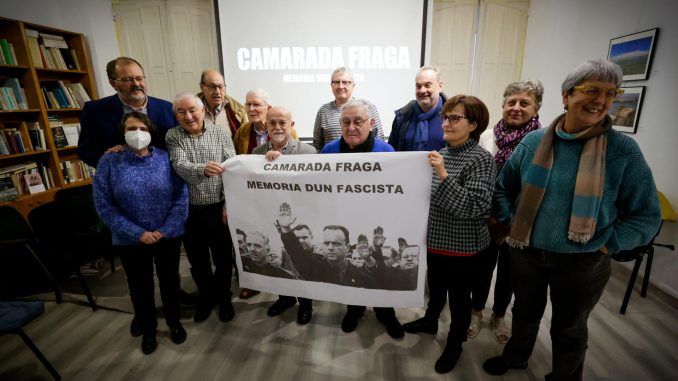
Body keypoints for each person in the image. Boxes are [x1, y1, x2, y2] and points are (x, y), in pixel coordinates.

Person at [482, 59, 662, 381]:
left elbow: (647, 215)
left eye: (610, 93)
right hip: (526, 252)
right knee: (524, 313)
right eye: (591, 90)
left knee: (570, 327)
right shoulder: (534, 142)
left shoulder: (623, 151)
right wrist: (511, 221)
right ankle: (517, 357)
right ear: (566, 96)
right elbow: (503, 189)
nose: (601, 100)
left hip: (584, 262)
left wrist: (608, 244)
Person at [402, 95, 495, 374]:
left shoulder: (481, 159)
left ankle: (455, 343)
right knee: (437, 287)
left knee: (459, 299)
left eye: (455, 118)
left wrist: (443, 175)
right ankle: (430, 321)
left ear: (473, 124)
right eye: (445, 117)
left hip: (464, 248)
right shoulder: (440, 153)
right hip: (435, 242)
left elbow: (475, 207)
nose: (446, 122)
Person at [92, 111, 188, 355]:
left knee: (170, 281)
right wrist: (137, 233)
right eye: (131, 128)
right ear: (122, 133)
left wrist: (164, 230)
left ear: (151, 132)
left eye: (143, 129)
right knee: (139, 287)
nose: (138, 133)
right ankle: (149, 330)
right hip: (130, 239)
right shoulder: (109, 162)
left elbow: (180, 197)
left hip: (167, 236)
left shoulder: (166, 159)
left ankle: (174, 322)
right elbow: (104, 205)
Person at [318, 99, 404, 339]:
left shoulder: (386, 152)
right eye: (346, 122)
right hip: (344, 224)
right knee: (353, 270)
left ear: (371, 123)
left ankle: (385, 313)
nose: (351, 127)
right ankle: (354, 310)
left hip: (378, 225)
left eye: (358, 121)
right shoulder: (328, 151)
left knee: (379, 270)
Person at [470, 79, 544, 344]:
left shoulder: (544, 141)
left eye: (524, 103)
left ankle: (499, 314)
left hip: (520, 221)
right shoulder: (486, 137)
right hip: (486, 218)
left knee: (510, 274)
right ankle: (476, 311)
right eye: (510, 102)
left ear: (536, 109)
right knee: (482, 269)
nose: (516, 108)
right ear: (502, 106)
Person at [165, 92, 237, 323]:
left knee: (224, 258)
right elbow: (179, 165)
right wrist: (202, 169)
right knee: (198, 261)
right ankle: (207, 298)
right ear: (175, 115)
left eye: (192, 110)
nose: (188, 116)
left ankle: (224, 298)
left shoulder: (221, 134)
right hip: (189, 211)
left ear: (202, 111)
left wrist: (227, 205)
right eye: (181, 111)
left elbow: (232, 172)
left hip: (218, 208)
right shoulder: (172, 136)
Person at [253, 106, 316, 324]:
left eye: (282, 122)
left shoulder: (309, 152)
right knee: (279, 261)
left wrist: (282, 163)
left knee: (299, 262)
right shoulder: (256, 154)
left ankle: (306, 304)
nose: (277, 127)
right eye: (272, 123)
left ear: (292, 125)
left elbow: (313, 188)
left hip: (299, 221)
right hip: (271, 219)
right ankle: (285, 298)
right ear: (266, 125)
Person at [78, 57, 176, 167]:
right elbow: (86, 151)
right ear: (113, 83)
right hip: (120, 178)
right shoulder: (94, 110)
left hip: (164, 178)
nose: (136, 84)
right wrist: (107, 158)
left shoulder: (167, 108)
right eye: (127, 79)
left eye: (139, 78)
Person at [313, 67, 384, 151]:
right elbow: (317, 145)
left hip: (366, 161)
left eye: (345, 82)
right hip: (333, 161)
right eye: (336, 82)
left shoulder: (368, 107)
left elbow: (379, 138)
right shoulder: (323, 111)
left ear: (353, 86)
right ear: (331, 85)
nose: (340, 86)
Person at [389, 66, 447, 152]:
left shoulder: (452, 117)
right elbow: (392, 152)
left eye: (427, 85)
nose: (422, 90)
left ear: (440, 86)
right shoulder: (402, 117)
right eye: (418, 86)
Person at [233, 89, 300, 154]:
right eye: (248, 105)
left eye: (256, 105)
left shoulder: (288, 131)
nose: (251, 109)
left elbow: (296, 156)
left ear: (268, 108)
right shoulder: (242, 131)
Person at [198, 69, 248, 138]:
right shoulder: (191, 111)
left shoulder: (237, 111)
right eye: (212, 86)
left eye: (221, 86)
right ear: (202, 87)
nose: (217, 92)